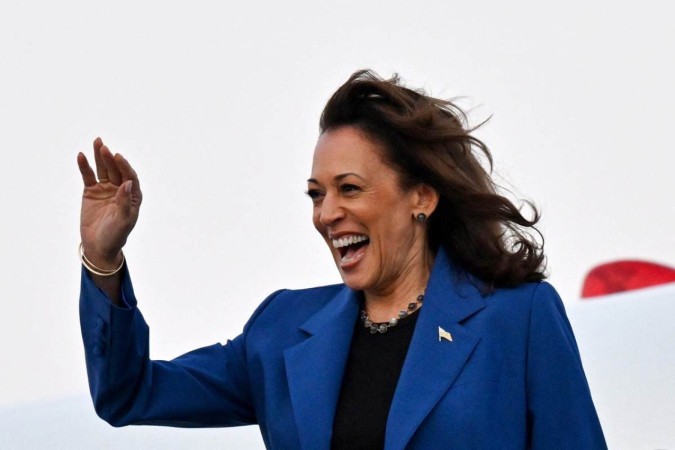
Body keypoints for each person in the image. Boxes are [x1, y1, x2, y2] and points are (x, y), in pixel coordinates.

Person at [77, 70, 607, 449]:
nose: (327, 214)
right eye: (315, 194)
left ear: (421, 197)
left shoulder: (519, 318)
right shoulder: (282, 331)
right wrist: (104, 259)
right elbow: (128, 394)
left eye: (349, 189)